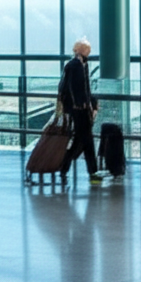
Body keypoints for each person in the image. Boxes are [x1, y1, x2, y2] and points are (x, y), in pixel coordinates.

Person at [59, 38, 101, 185]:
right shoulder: (74, 66)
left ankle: (64, 167)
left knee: (79, 142)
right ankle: (93, 172)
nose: (88, 53)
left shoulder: (82, 65)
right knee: (87, 141)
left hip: (82, 109)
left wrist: (91, 103)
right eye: (86, 50)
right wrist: (79, 104)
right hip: (79, 110)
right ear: (80, 50)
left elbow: (85, 89)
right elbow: (71, 88)